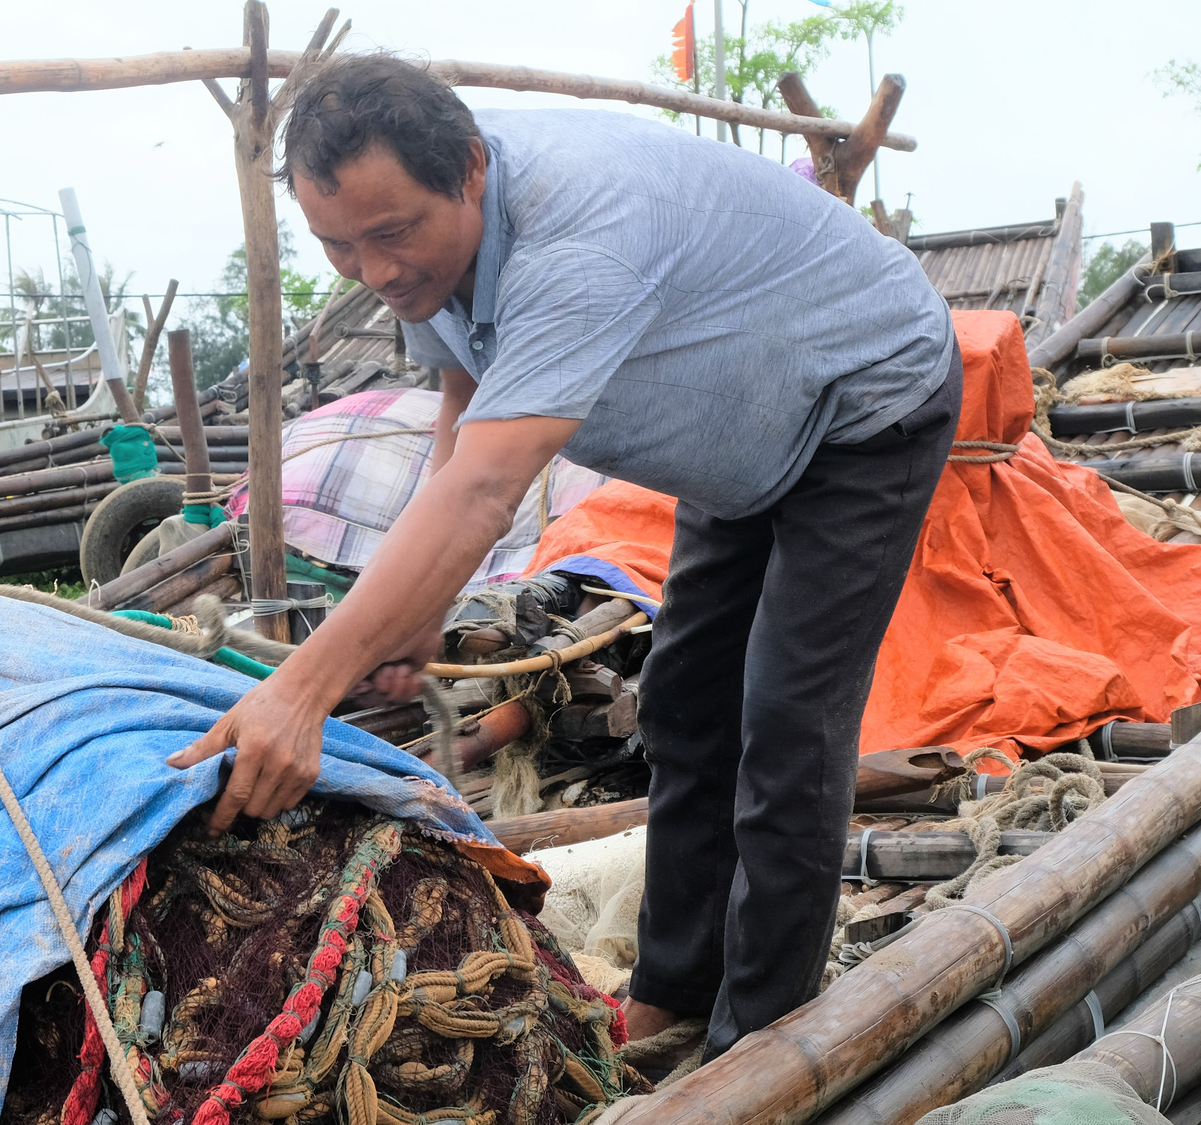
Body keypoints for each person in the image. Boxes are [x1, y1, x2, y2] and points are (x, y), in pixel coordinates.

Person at [167, 53, 959, 1056]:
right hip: (738, 441)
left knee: (786, 715)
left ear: (468, 171)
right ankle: (668, 994)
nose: (372, 271)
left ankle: (760, 1041)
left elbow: (487, 484)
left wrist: (299, 689)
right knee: (681, 700)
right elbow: (459, 399)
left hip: (861, 399)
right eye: (337, 245)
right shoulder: (419, 230)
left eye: (391, 234)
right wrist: (416, 604)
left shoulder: (575, 235)